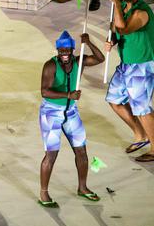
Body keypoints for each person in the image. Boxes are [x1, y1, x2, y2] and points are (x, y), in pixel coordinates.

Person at [38, 31, 104, 207]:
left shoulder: (79, 62)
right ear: (57, 50)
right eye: (61, 50)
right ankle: (43, 194)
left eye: (68, 50)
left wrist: (88, 42)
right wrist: (68, 94)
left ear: (73, 49)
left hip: (71, 112)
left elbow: (100, 59)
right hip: (51, 113)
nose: (64, 53)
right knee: (51, 154)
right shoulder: (50, 66)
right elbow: (45, 91)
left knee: (81, 151)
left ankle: (82, 188)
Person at [105, 0, 154, 162]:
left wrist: (117, 2)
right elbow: (117, 32)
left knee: (142, 109)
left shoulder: (141, 12)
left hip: (142, 66)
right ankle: (141, 135)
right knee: (114, 100)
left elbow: (123, 28)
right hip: (127, 64)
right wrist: (112, 41)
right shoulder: (124, 8)